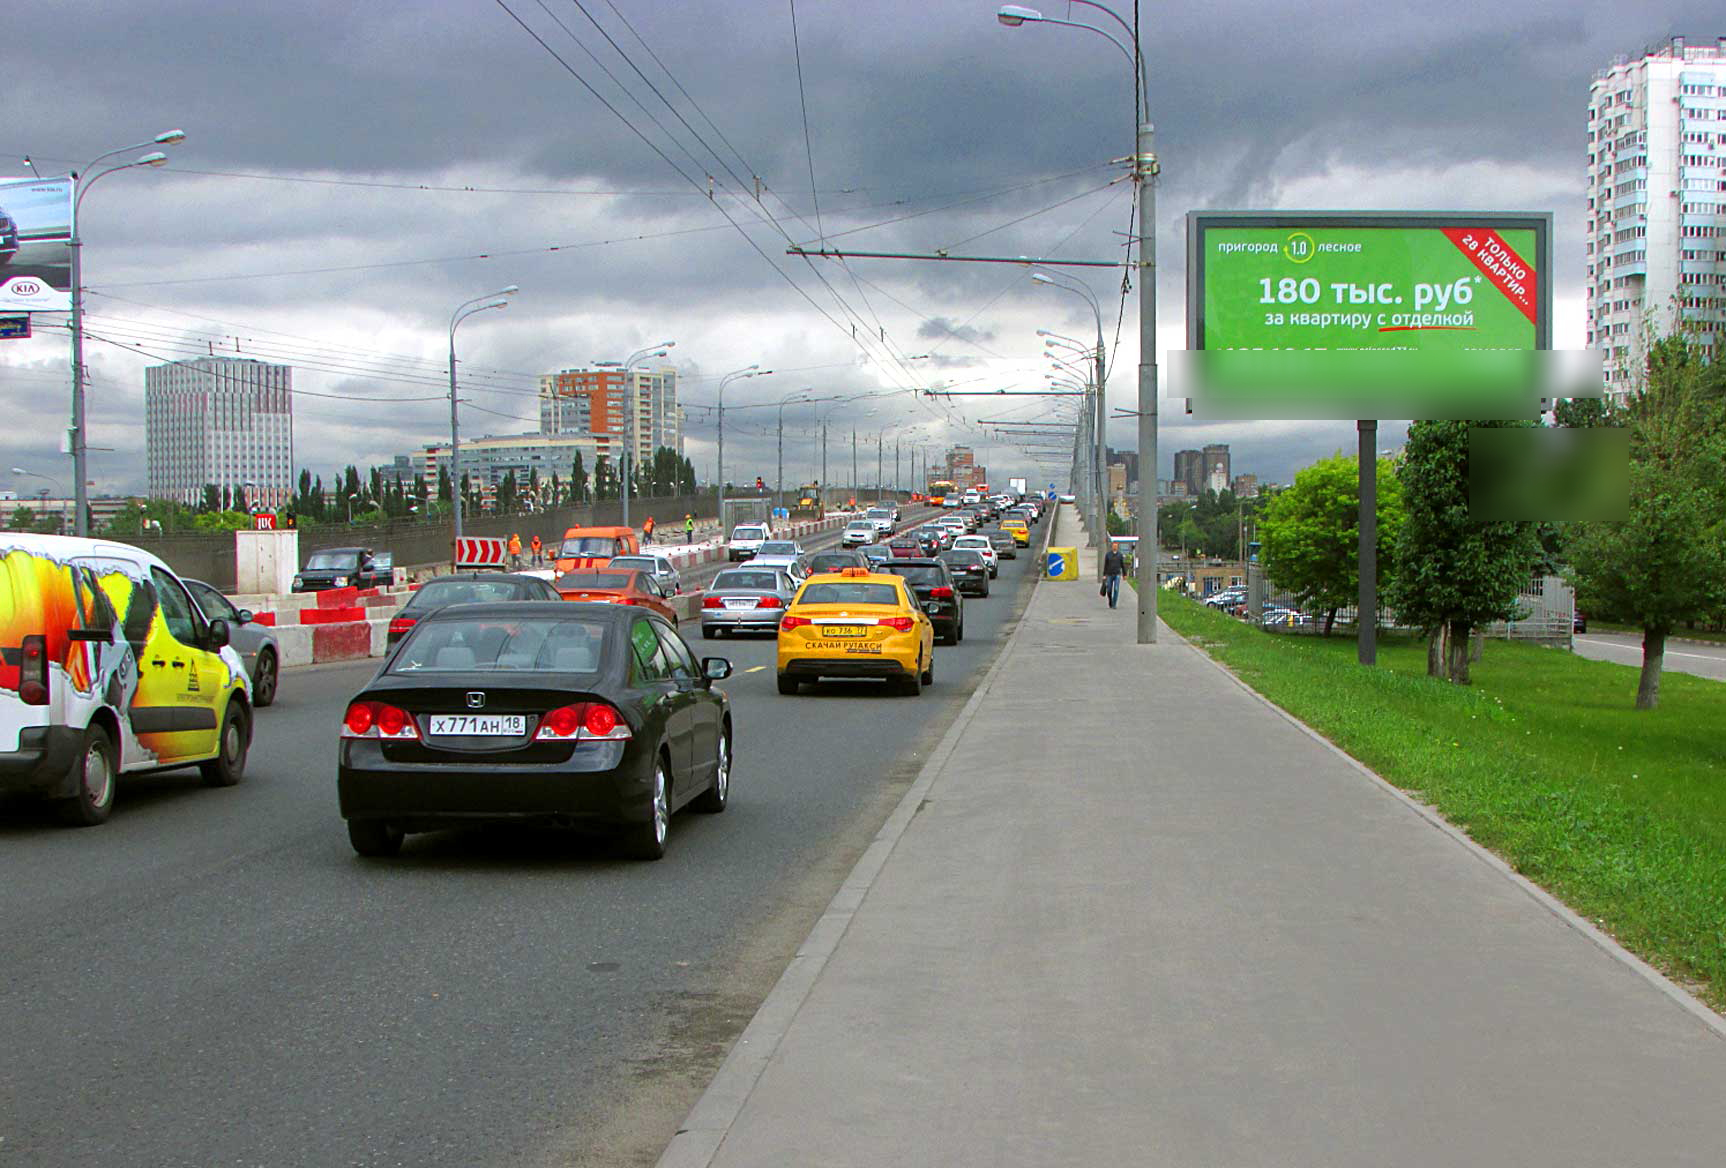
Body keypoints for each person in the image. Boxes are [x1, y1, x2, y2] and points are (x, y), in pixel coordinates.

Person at [1102, 545, 1125, 609]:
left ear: (1117, 547)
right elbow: (1105, 565)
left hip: (1117, 574)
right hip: (1109, 574)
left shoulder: (1120, 555)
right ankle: (1110, 600)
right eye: (1113, 546)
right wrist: (1104, 575)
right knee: (1109, 589)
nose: (1114, 547)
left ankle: (1114, 604)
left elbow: (1122, 565)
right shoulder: (1108, 555)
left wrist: (1124, 574)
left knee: (1116, 589)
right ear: (1112, 547)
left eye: (1116, 546)